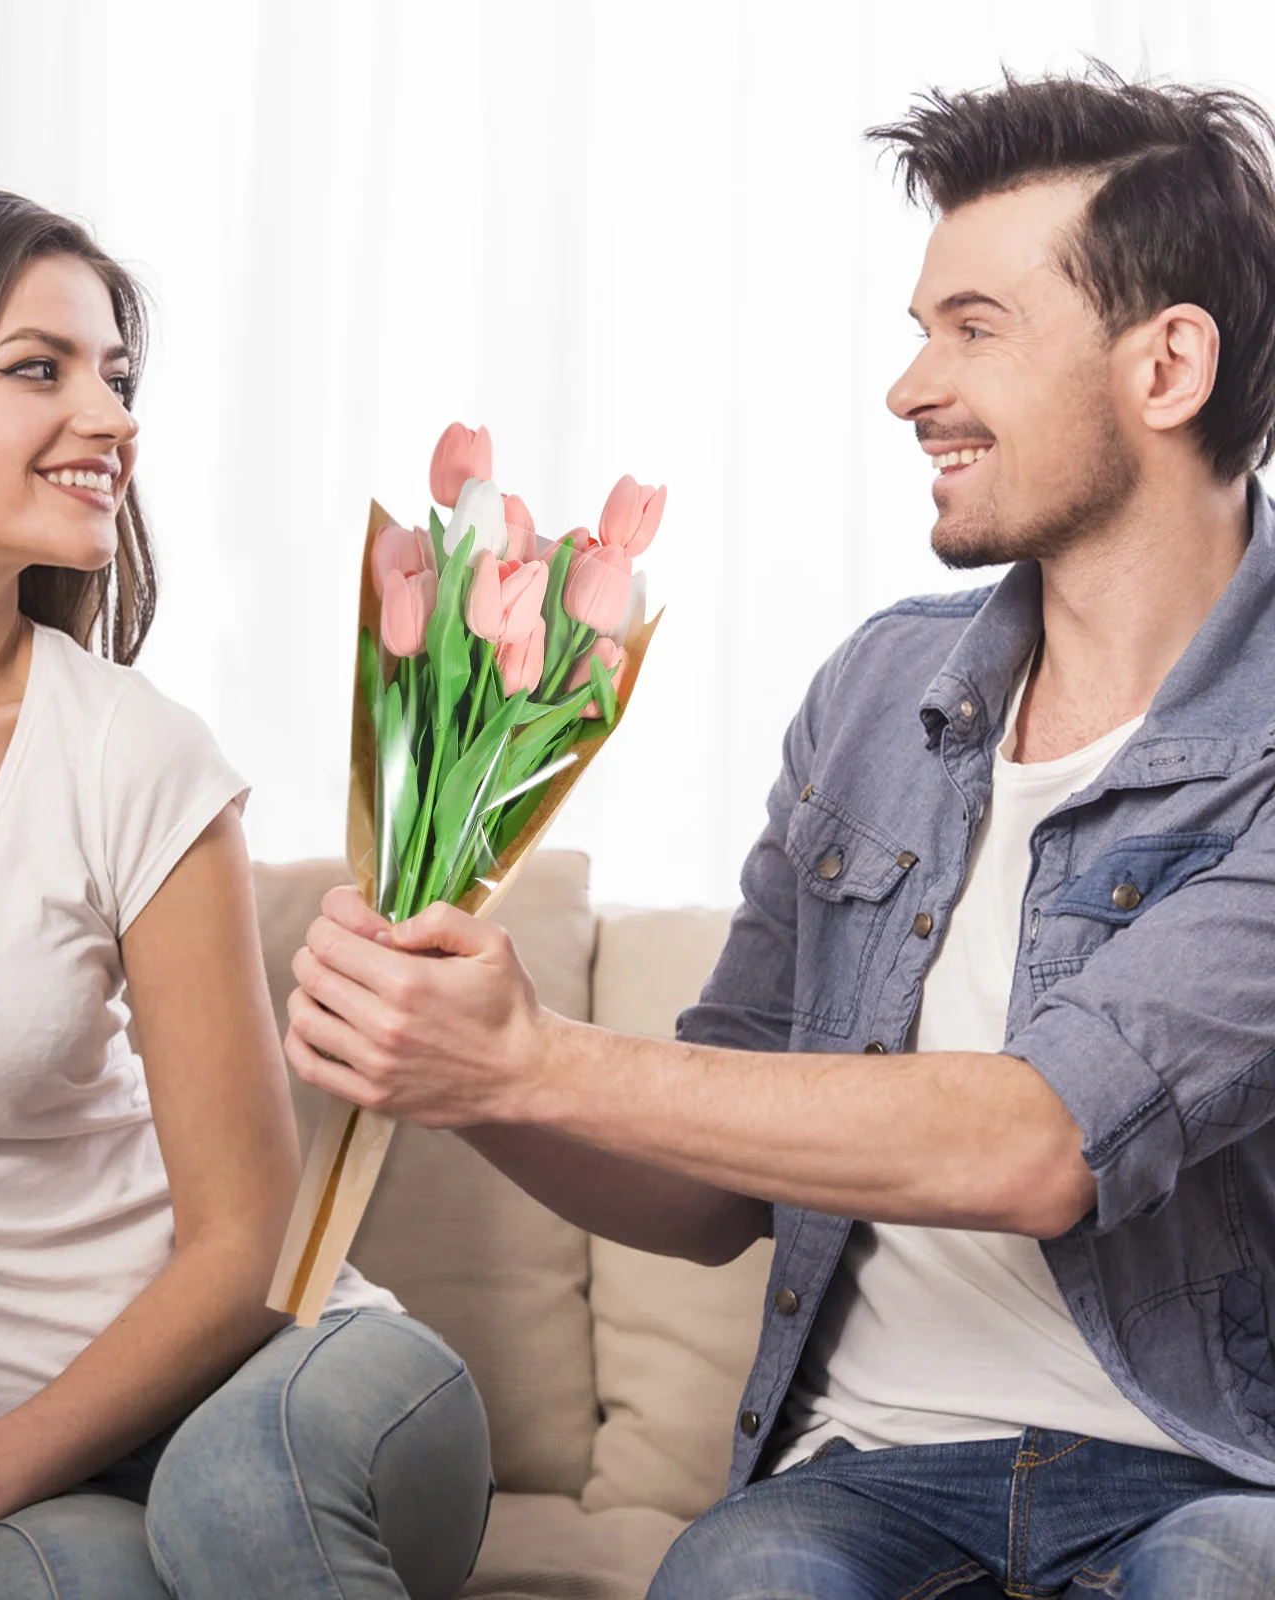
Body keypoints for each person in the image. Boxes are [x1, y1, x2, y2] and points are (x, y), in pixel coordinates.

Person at [289, 67, 1275, 1599]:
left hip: (1211, 1475)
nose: (909, 387)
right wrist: (460, 1065)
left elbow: (1039, 1143)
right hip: (868, 1476)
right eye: (919, 329)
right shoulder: (882, 692)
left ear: (1168, 367)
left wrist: (537, 1059)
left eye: (974, 327)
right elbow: (704, 1195)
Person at [0, 183, 490, 1600]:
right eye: (40, 369)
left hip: (294, 1386)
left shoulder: (130, 751)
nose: (114, 416)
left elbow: (245, 1244)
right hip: (48, 1491)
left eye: (116, 375)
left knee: (237, 1506)